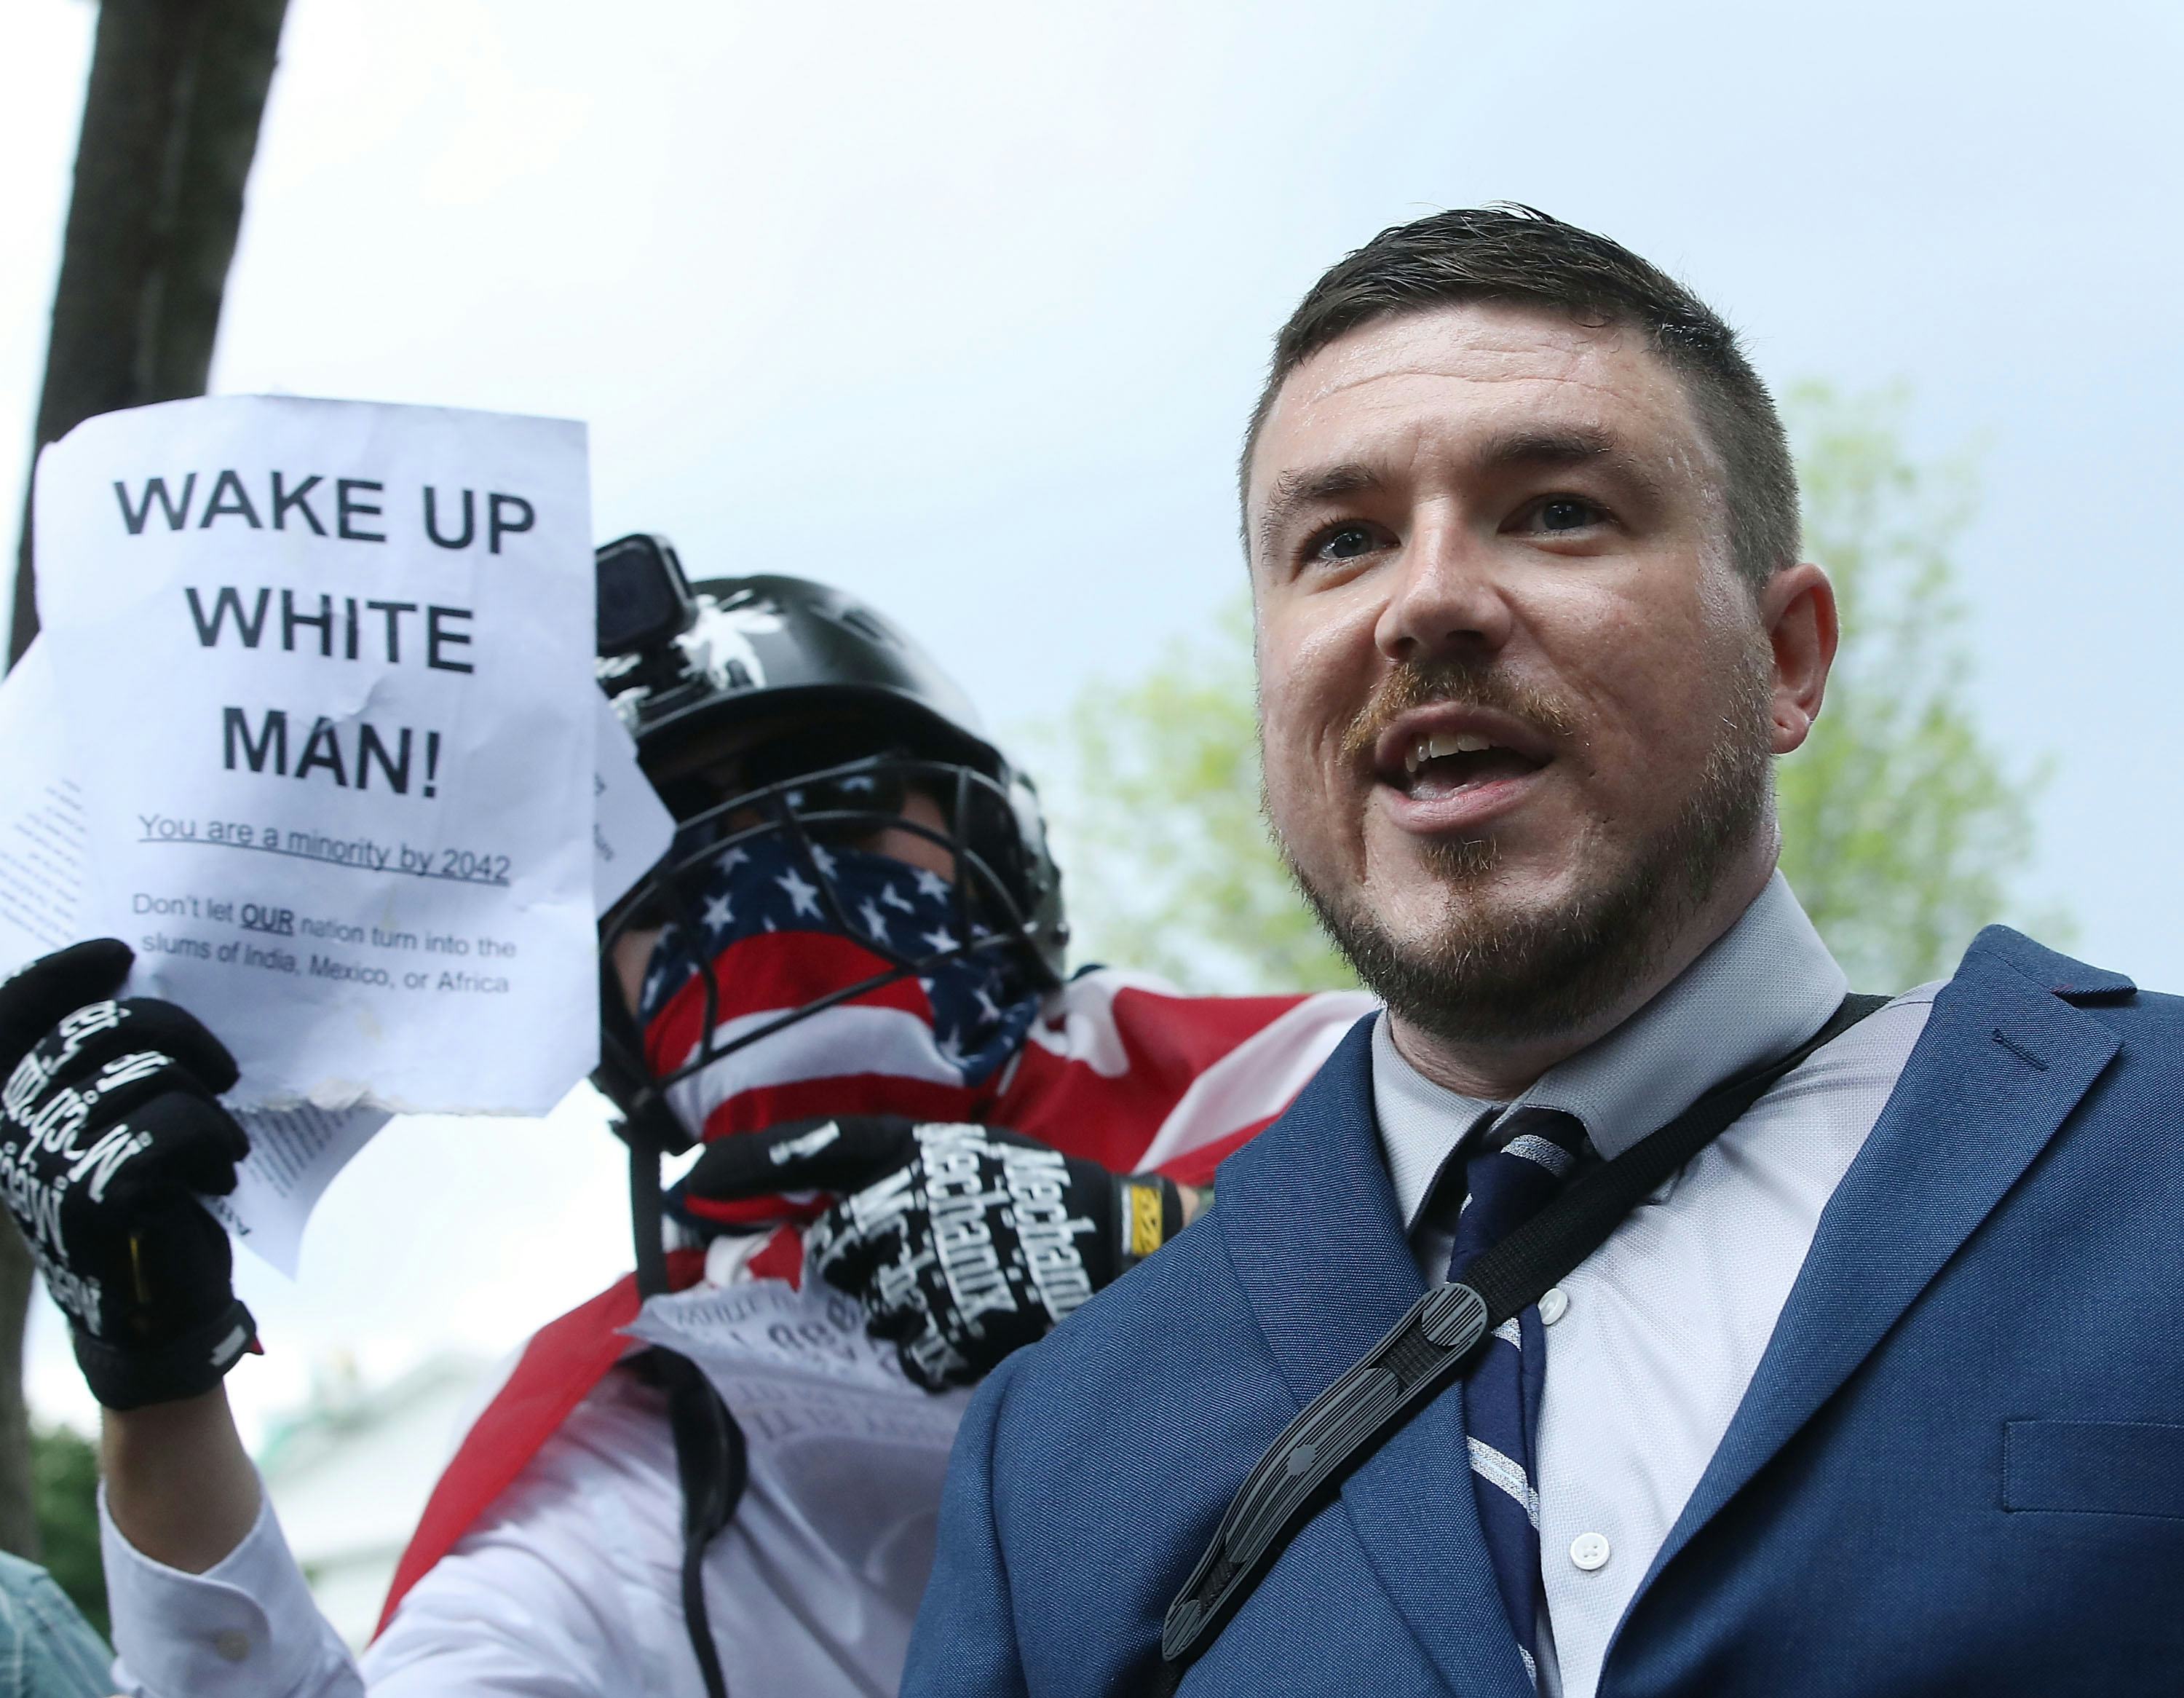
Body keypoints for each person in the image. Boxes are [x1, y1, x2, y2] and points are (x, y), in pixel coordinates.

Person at [902, 204, 2184, 1698]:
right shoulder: (1047, 1451)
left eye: (1556, 509)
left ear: (1786, 658)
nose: (1427, 599)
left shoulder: (2151, 1144)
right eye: (1342, 542)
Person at [0, 548, 1370, 1696]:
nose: (760, 895)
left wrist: (1177, 1252)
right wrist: (159, 1394)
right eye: (662, 866)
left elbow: (1569, 1313)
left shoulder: (1333, 1087)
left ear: (995, 850)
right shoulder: (631, 1408)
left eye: (830, 799)